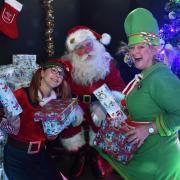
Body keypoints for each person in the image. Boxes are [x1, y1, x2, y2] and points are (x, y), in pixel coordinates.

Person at [97, 8, 180, 180]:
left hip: (157, 164)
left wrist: (148, 129)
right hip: (140, 158)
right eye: (132, 48)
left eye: (141, 47)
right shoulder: (145, 75)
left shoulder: (160, 77)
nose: (134, 52)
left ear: (154, 49)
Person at [59, 25, 125, 178]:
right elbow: (56, 77)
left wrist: (105, 107)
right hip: (77, 104)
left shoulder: (107, 63)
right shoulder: (68, 66)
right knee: (71, 129)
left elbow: (118, 88)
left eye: (88, 45)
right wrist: (70, 107)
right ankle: (76, 154)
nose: (86, 51)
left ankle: (100, 156)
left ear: (95, 44)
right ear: (73, 52)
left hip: (100, 103)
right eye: (80, 48)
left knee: (102, 125)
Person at [3, 60, 72, 180]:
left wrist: (53, 133)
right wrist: (10, 123)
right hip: (17, 155)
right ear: (42, 73)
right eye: (53, 70)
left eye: (61, 74)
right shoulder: (21, 94)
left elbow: (50, 136)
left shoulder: (58, 103)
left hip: (41, 154)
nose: (57, 75)